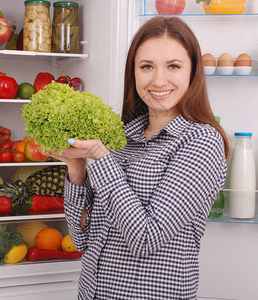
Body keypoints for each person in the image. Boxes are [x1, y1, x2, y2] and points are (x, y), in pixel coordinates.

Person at [48, 16, 230, 300]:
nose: (159, 80)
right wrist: (76, 167)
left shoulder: (201, 141)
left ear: (193, 72)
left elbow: (146, 239)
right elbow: (83, 239)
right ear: (133, 72)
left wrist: (99, 156)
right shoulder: (121, 138)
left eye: (173, 66)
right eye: (147, 66)